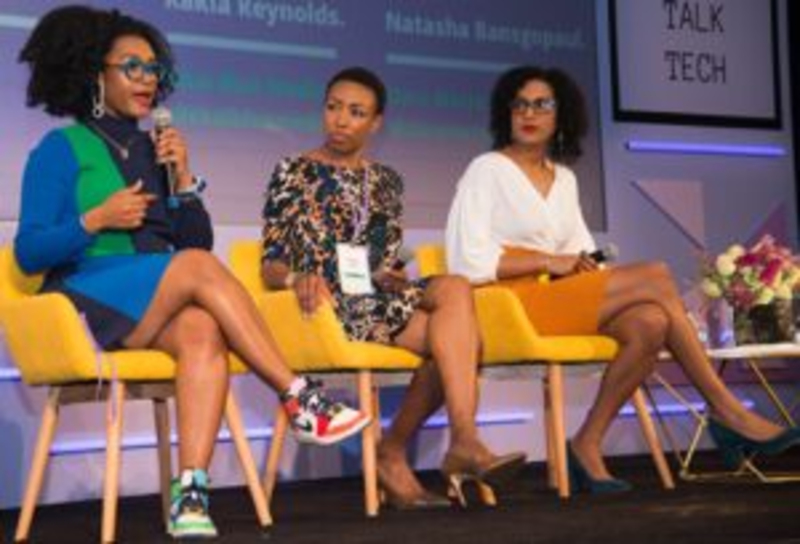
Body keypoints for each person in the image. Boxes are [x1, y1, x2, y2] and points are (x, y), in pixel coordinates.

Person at [15, 5, 369, 538]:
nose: (146, 79)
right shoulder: (59, 149)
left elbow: (194, 245)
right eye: (131, 67)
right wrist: (94, 220)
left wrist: (182, 178)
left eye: (152, 68)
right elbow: (28, 252)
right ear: (94, 73)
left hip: (151, 294)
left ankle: (191, 492)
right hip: (87, 298)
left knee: (203, 331)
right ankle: (298, 395)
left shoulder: (156, 148)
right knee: (197, 273)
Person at [445, 65, 800, 493]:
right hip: (508, 307)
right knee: (656, 275)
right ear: (506, 112)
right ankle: (727, 410)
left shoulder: (564, 179)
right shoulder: (486, 169)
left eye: (542, 104)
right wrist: (547, 260)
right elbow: (466, 260)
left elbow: (579, 252)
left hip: (558, 300)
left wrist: (581, 264)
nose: (529, 113)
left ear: (561, 114)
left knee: (651, 321)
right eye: (520, 104)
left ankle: (588, 442)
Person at [260, 66, 526, 508]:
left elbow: (380, 260)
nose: (341, 120)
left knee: (455, 294)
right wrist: (294, 277)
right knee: (458, 344)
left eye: (356, 112)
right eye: (333, 108)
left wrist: (388, 274)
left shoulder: (386, 181)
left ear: (375, 122)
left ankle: (452, 441)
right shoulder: (293, 171)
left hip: (374, 299)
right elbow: (270, 264)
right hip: (325, 306)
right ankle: (415, 449)